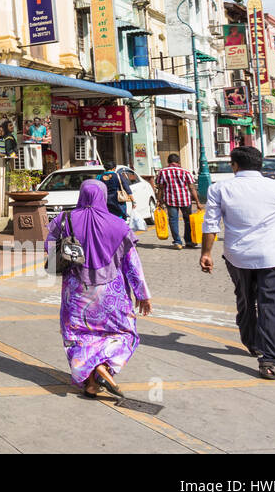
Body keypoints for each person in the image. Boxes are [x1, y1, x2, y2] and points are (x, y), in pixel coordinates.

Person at [200, 146, 275, 380]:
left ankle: (252, 342)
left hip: (237, 257)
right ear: (260, 165)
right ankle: (270, 361)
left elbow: (211, 224)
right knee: (272, 306)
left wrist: (206, 253)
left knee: (245, 299)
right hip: (274, 257)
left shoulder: (219, 188)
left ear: (234, 165)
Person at [46, 178, 153, 397]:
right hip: (111, 294)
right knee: (124, 333)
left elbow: (48, 248)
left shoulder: (63, 220)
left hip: (76, 293)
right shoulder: (119, 225)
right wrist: (142, 294)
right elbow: (132, 264)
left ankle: (93, 374)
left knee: (77, 335)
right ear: (104, 197)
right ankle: (100, 373)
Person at [155, 153, 199, 250]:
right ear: (178, 161)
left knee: (173, 220)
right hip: (185, 200)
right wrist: (198, 202)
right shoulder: (185, 171)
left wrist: (159, 200)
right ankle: (189, 241)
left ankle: (177, 242)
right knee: (187, 220)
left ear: (168, 162)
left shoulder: (162, 172)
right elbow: (192, 188)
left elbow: (160, 188)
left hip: (170, 200)